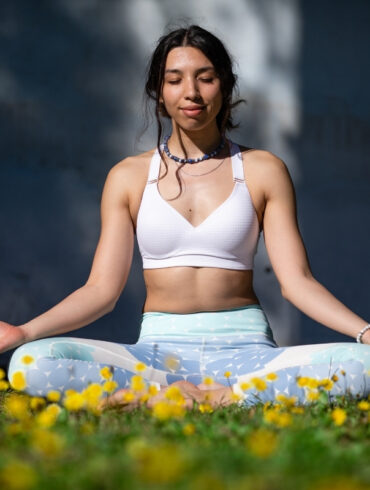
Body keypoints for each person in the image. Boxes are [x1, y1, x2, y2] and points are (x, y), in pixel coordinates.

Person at [1, 25, 369, 410]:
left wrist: (364, 332)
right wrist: (24, 331)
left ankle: (203, 398)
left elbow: (297, 282)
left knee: (366, 365)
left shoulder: (263, 169)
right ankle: (209, 399)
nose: (191, 92)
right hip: (157, 357)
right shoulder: (127, 177)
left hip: (248, 354)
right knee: (32, 362)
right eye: (174, 80)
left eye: (205, 78)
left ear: (225, 87)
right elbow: (100, 292)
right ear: (159, 93)